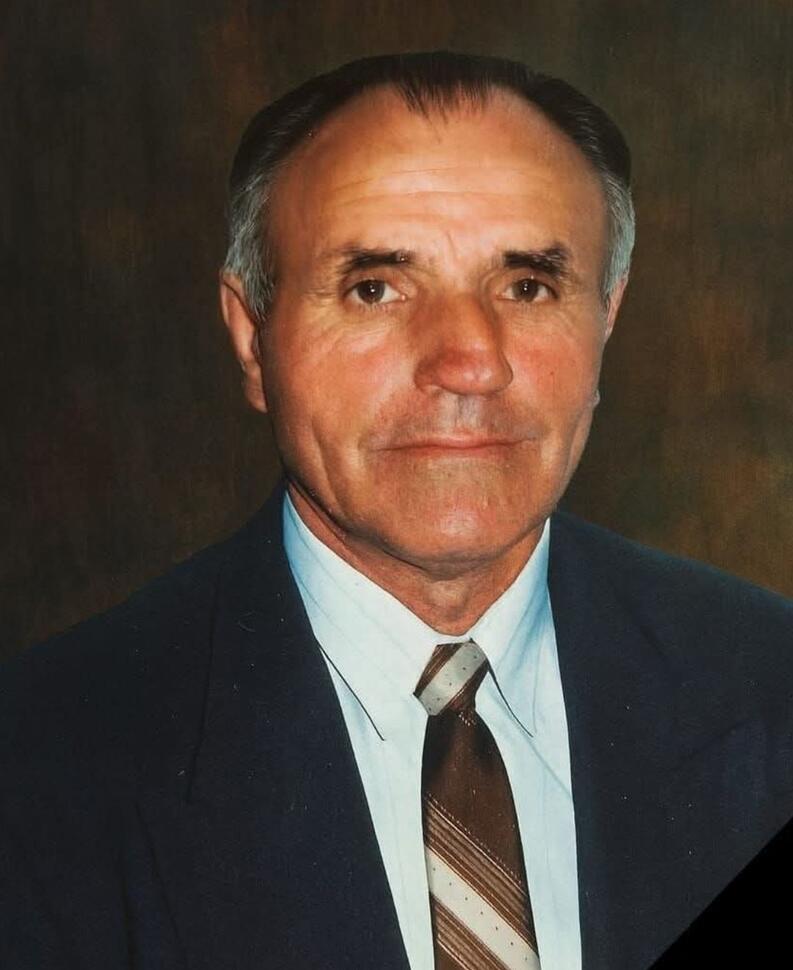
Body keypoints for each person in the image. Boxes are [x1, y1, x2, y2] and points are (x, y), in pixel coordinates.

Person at [2, 51, 791, 970]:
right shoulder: (41, 767)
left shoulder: (769, 688)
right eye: (375, 287)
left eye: (527, 286)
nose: (469, 361)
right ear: (252, 338)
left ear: (605, 319)